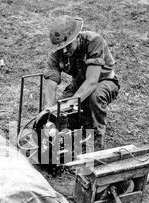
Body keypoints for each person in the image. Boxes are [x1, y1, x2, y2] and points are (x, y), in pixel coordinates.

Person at [43, 15, 120, 145]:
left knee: (95, 96)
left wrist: (71, 103)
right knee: (59, 111)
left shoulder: (94, 41)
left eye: (68, 45)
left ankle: (95, 140)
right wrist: (49, 109)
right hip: (79, 85)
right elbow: (51, 84)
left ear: (77, 37)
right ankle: (67, 136)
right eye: (61, 47)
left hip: (104, 81)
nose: (65, 50)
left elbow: (91, 82)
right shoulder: (56, 54)